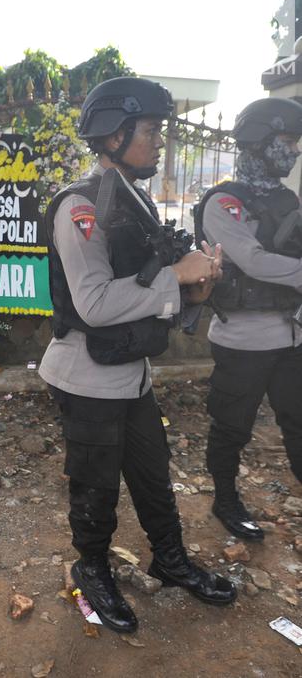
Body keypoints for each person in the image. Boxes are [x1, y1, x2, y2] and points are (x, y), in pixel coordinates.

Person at [39, 76, 236, 635]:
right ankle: (92, 566)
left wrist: (193, 287)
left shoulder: (135, 199)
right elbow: (96, 304)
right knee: (95, 484)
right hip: (86, 375)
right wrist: (176, 276)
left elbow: (147, 290)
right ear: (113, 132)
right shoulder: (82, 206)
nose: (158, 142)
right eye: (149, 130)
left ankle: (169, 560)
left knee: (153, 474)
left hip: (132, 373)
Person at [196, 97, 302, 542]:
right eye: (287, 141)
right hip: (241, 340)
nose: (295, 151)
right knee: (232, 427)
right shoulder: (224, 203)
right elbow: (254, 262)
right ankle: (225, 498)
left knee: (298, 421)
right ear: (259, 142)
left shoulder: (285, 198)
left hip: (290, 336)